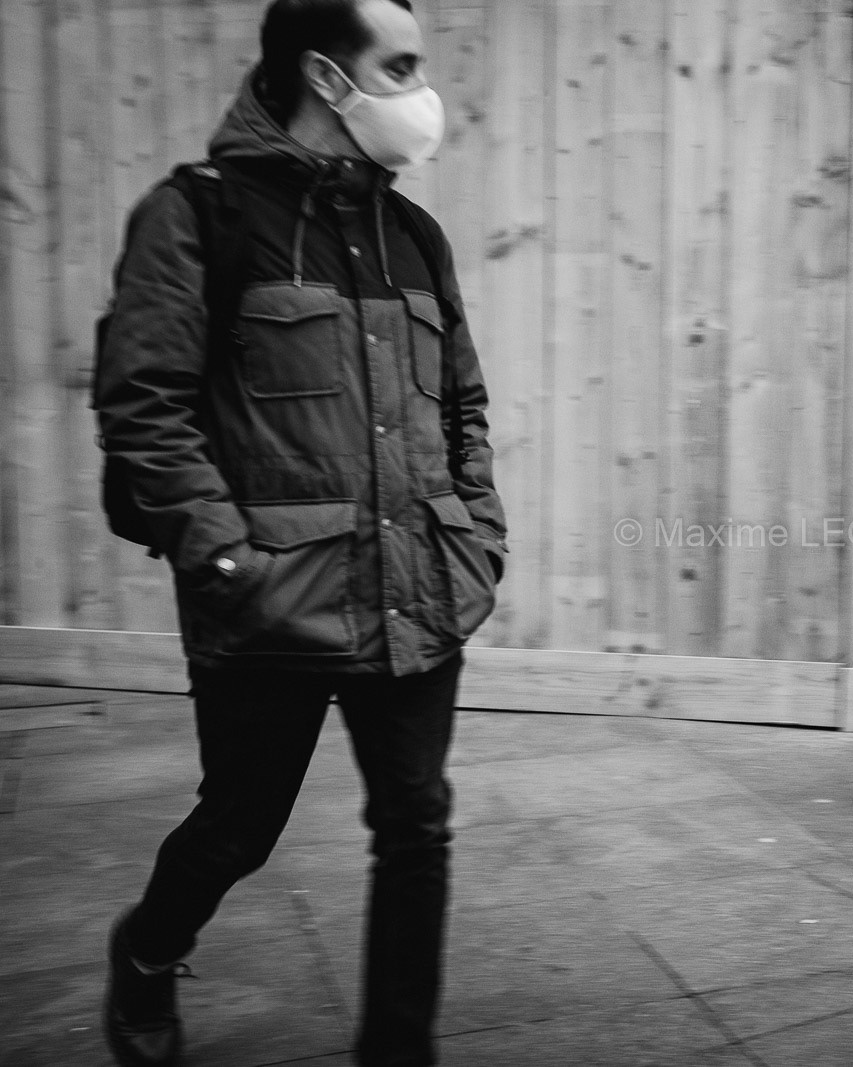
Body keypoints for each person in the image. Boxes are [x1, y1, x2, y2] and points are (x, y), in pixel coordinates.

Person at [94, 2, 506, 1064]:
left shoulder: (413, 235)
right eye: (400, 66)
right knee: (240, 825)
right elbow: (144, 404)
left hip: (420, 591)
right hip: (270, 602)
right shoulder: (198, 215)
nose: (423, 92)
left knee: (416, 827)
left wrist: (477, 534)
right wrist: (225, 557)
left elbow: (463, 405)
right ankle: (148, 947)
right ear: (328, 77)